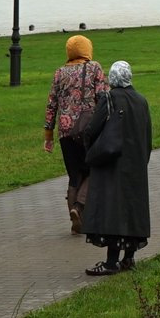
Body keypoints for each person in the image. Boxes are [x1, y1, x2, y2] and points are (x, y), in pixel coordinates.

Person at [81, 60, 154, 275]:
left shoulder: (109, 98)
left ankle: (111, 262)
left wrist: (90, 150)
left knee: (113, 210)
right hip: (136, 162)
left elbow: (93, 128)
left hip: (112, 163)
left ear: (111, 79)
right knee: (132, 208)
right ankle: (129, 258)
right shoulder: (141, 101)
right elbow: (147, 133)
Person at [44, 34, 108, 235]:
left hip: (65, 131)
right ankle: (79, 208)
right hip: (88, 129)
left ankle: (75, 223)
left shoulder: (59, 73)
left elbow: (51, 104)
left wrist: (48, 136)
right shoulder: (94, 68)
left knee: (74, 174)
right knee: (92, 169)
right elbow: (103, 97)